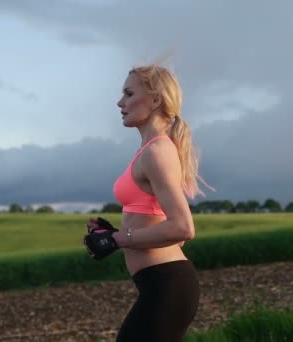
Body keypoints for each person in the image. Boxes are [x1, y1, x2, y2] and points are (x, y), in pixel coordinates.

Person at [83, 64, 212, 342]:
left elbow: (182, 229)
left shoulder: (157, 152)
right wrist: (115, 233)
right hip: (162, 285)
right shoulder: (150, 150)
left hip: (167, 286)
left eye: (129, 94)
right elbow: (165, 230)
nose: (120, 102)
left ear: (155, 99)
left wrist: (118, 239)